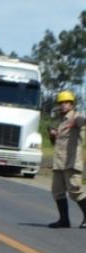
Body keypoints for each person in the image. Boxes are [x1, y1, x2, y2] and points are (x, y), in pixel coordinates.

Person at [47, 90, 86, 228]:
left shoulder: (77, 117)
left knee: (75, 191)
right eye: (61, 103)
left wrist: (76, 121)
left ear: (72, 104)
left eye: (67, 102)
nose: (64, 105)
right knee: (57, 191)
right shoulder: (58, 120)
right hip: (59, 162)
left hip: (71, 162)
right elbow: (54, 142)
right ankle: (64, 220)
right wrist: (52, 134)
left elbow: (84, 121)